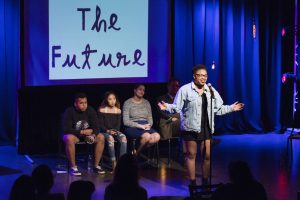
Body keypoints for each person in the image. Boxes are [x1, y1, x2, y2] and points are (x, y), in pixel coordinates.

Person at [158, 64, 244, 186]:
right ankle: (192, 183)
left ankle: (205, 182)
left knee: (207, 156)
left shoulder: (210, 90)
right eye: (200, 75)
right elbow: (177, 107)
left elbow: (217, 109)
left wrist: (231, 108)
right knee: (191, 155)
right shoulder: (185, 90)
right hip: (190, 128)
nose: (203, 78)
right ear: (194, 76)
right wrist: (166, 107)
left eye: (205, 75)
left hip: (206, 128)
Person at [62, 93, 105, 176]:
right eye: (81, 103)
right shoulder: (69, 111)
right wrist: (81, 132)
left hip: (87, 137)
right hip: (75, 136)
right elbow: (66, 129)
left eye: (85, 102)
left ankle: (96, 166)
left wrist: (93, 135)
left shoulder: (90, 110)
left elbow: (96, 127)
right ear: (75, 104)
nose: (84, 105)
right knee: (69, 138)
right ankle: (73, 167)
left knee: (101, 137)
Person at [123, 84, 160, 155]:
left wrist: (149, 125)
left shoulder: (146, 103)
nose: (142, 91)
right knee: (147, 136)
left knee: (157, 136)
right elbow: (125, 121)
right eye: (140, 89)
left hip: (145, 125)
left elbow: (150, 118)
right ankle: (136, 155)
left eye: (143, 90)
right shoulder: (127, 103)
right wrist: (139, 126)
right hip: (133, 126)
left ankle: (136, 152)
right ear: (135, 90)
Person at [98, 91, 127, 172]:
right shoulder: (102, 110)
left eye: (114, 99)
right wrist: (108, 131)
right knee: (110, 138)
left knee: (123, 138)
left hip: (115, 131)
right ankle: (113, 164)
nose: (112, 101)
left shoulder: (118, 110)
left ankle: (122, 163)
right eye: (110, 99)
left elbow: (118, 124)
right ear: (106, 100)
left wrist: (115, 131)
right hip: (105, 131)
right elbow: (100, 125)